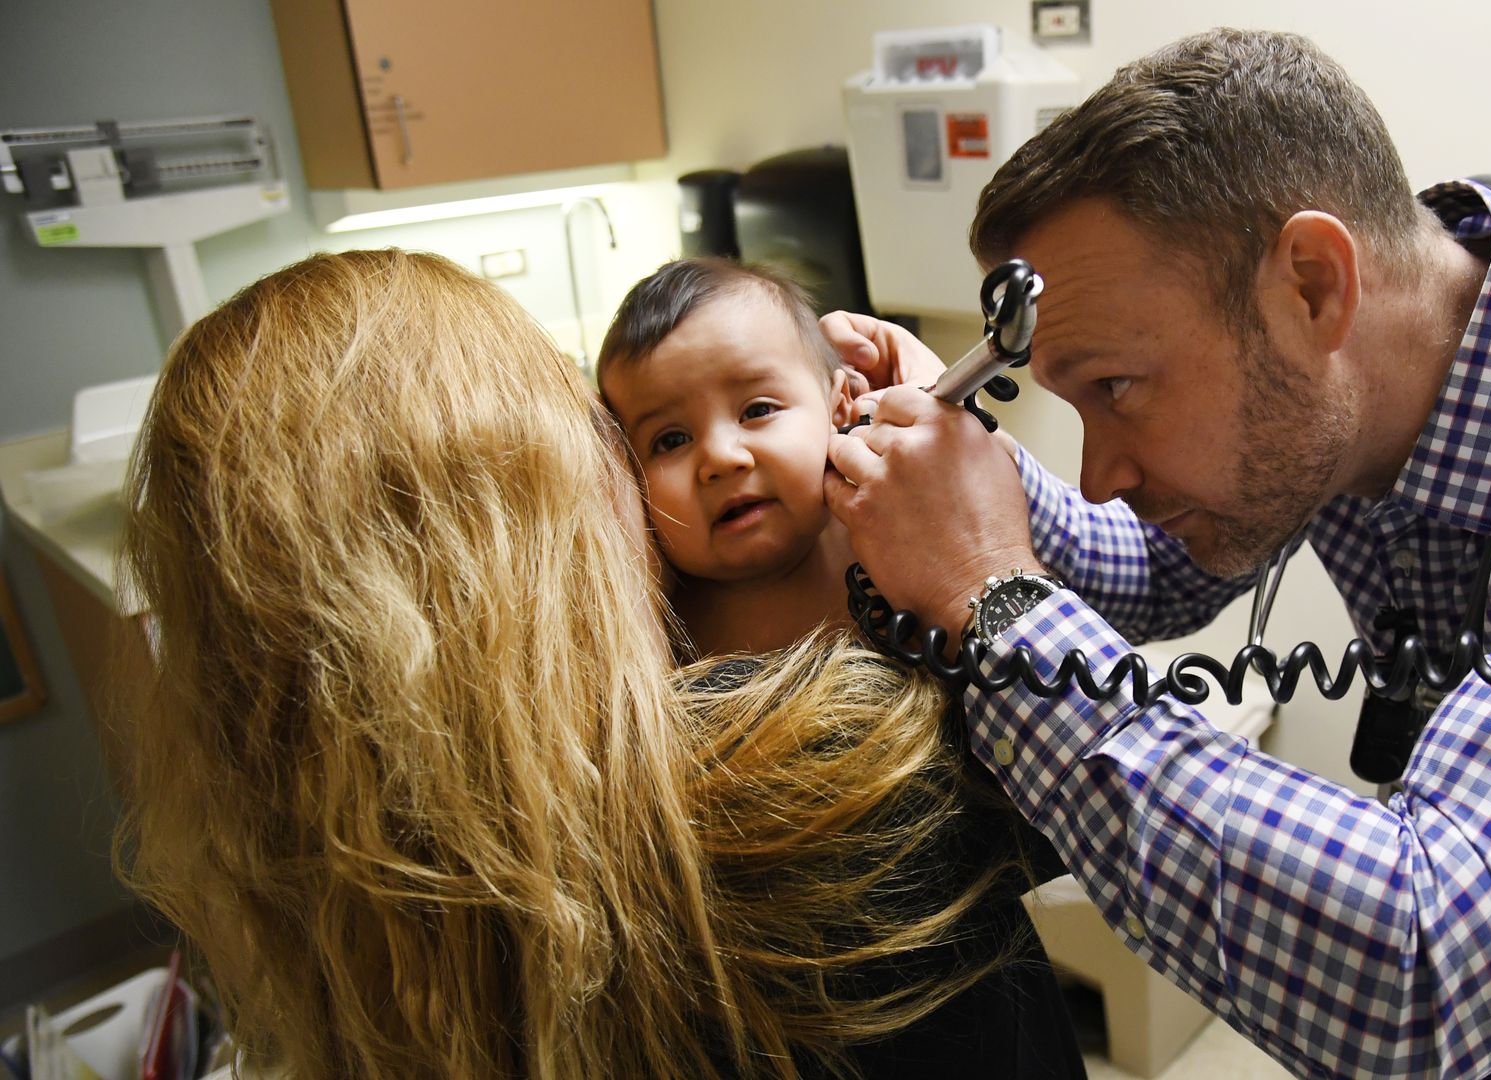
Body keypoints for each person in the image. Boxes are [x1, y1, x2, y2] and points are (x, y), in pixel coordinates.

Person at [820, 27, 1491, 1080]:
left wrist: (994, 598)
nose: (1100, 469)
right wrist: (975, 482)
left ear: (1313, 283)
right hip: (1475, 836)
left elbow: (1430, 974)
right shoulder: (1373, 346)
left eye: (1115, 390)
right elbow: (1162, 574)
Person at [118, 249, 1071, 1079]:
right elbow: (1086, 778)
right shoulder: (796, 784)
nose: (710, 460)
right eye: (621, 437)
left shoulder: (383, 861)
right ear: (509, 520)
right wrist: (987, 552)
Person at [595, 256, 1085, 1077]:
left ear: (842, 407)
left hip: (963, 958)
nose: (719, 457)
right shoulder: (654, 618)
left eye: (756, 409)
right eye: (669, 440)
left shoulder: (893, 534)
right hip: (780, 1003)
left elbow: (1024, 666)